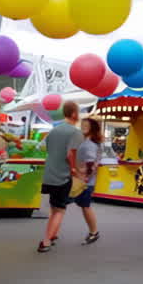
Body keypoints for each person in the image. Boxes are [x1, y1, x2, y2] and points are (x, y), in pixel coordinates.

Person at [37, 101, 83, 253]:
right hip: (62, 175)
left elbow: (46, 148)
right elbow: (71, 153)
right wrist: (74, 169)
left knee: (54, 206)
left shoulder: (54, 130)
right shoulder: (75, 132)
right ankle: (46, 241)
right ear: (74, 114)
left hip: (49, 173)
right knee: (60, 210)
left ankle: (53, 234)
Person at [74, 117, 103, 245]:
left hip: (84, 180)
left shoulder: (90, 144)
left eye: (86, 125)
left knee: (85, 206)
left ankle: (94, 232)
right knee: (83, 206)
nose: (83, 127)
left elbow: (91, 163)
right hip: (82, 179)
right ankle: (93, 231)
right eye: (82, 125)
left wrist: (86, 178)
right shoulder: (88, 142)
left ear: (92, 128)